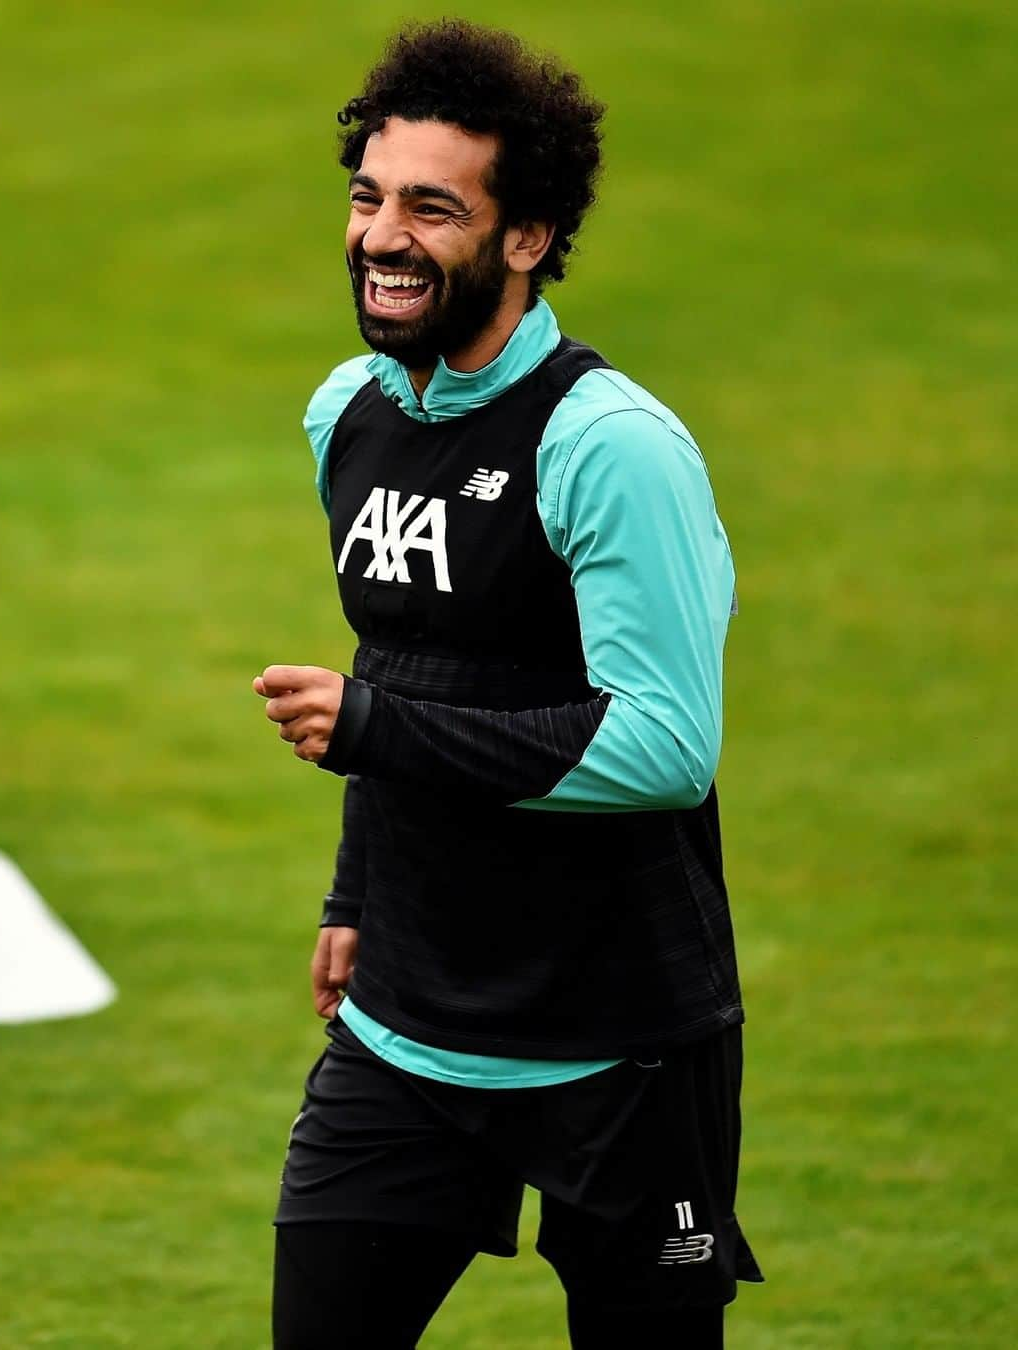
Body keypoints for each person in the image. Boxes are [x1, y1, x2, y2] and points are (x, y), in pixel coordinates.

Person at [253, 19, 762, 1348]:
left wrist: (379, 731)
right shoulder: (347, 416)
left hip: (622, 1050)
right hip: (407, 1030)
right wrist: (357, 890)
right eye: (368, 197)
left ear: (526, 235)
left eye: (432, 207)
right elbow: (404, 650)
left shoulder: (611, 450)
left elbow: (663, 747)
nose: (382, 236)